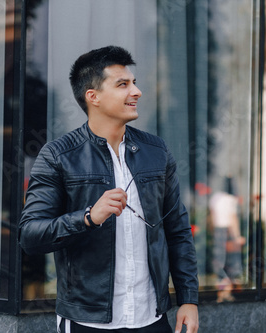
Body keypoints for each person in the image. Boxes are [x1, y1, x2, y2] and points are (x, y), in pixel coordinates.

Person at [19, 46, 199, 333]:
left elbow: (177, 231)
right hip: (88, 322)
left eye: (134, 83)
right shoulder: (58, 156)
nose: (136, 92)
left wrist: (189, 300)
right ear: (94, 97)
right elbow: (30, 236)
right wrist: (88, 217)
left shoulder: (157, 151)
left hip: (151, 318)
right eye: (123, 84)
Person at [209, 177, 245, 302]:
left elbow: (212, 216)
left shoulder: (215, 198)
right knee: (230, 264)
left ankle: (221, 293)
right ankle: (227, 293)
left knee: (220, 261)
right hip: (228, 232)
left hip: (218, 231)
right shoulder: (231, 199)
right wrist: (237, 237)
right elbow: (233, 219)